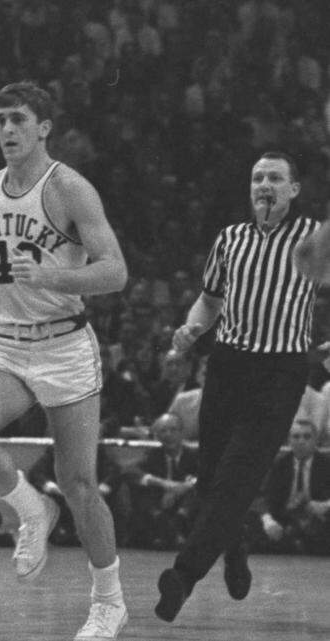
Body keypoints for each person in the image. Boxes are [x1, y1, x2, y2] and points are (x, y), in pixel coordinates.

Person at [0, 82, 129, 639]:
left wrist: (54, 275)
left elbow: (115, 271)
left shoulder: (70, 189)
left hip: (64, 345)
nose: (7, 130)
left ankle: (109, 601)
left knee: (79, 484)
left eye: (18, 119)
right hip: (6, 344)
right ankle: (29, 510)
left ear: (44, 126)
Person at [155, 151, 320, 623]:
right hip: (228, 364)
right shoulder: (230, 238)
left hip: (281, 370)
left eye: (275, 178)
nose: (264, 185)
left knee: (238, 476)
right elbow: (208, 302)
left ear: (293, 190)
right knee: (212, 479)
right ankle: (236, 542)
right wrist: (189, 331)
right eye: (257, 178)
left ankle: (183, 576)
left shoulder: (313, 238)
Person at [126, 413, 199, 550]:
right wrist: (164, 484)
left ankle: (172, 531)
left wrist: (183, 487)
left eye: (173, 430)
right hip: (159, 508)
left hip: (184, 510)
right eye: (163, 431)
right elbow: (131, 471)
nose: (168, 435)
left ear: (182, 433)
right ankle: (174, 535)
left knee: (197, 492)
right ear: (157, 436)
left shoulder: (193, 455)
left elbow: (205, 475)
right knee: (143, 493)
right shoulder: (152, 455)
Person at [257, 420, 330, 554]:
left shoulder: (326, 465)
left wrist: (326, 505)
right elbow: (262, 496)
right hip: (284, 519)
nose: (301, 441)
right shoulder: (279, 464)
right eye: (296, 437)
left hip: (318, 519)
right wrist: (268, 522)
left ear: (316, 440)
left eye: (307, 436)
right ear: (289, 440)